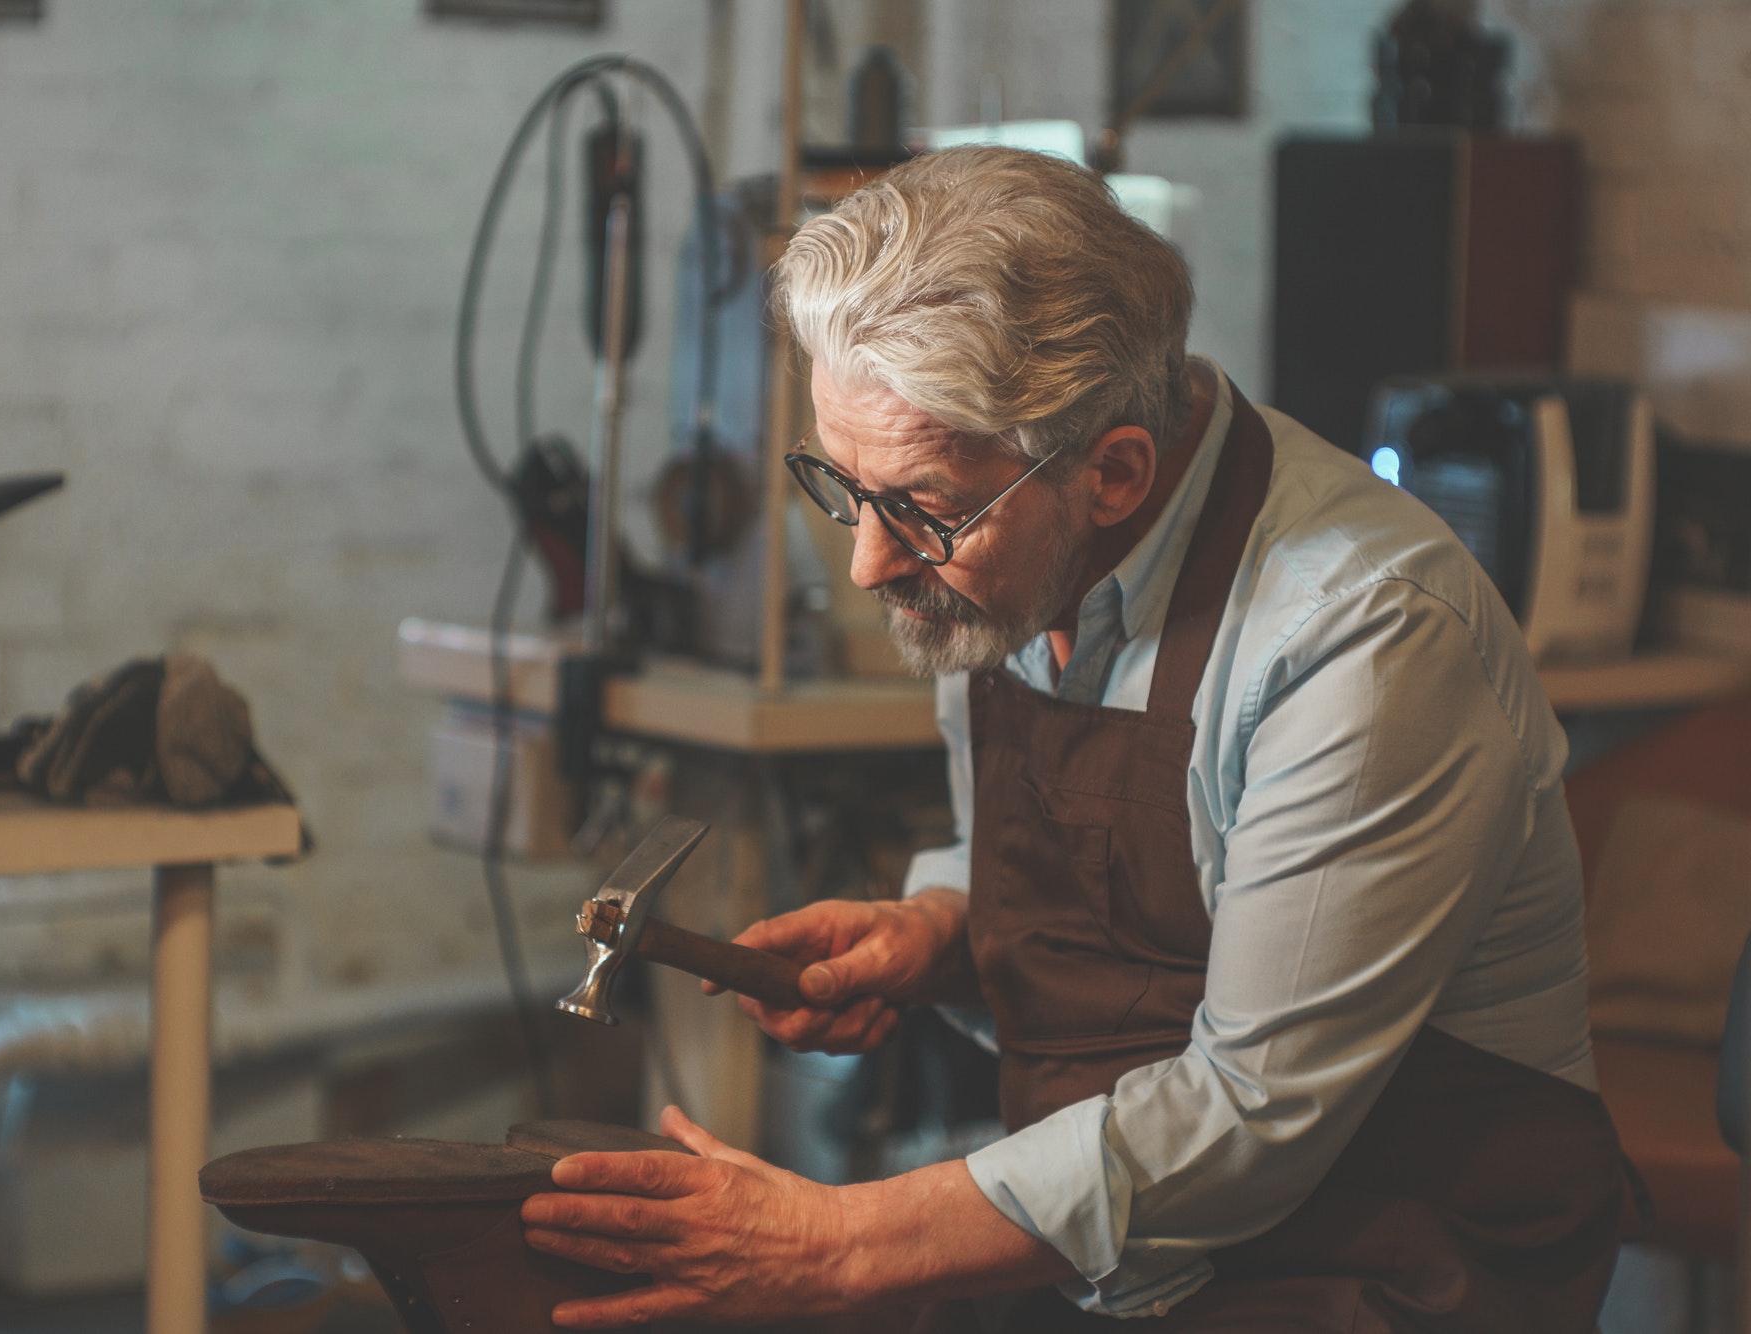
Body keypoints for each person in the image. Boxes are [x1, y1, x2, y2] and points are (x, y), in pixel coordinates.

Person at [520, 145, 1629, 1331]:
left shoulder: (1360, 640)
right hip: (1113, 1245)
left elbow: (1251, 1115)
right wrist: (939, 931)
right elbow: (1095, 899)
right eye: (842, 487)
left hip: (1384, 1255)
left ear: (1112, 473)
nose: (866, 561)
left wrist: (837, 1240)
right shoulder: (1005, 564)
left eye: (917, 509)